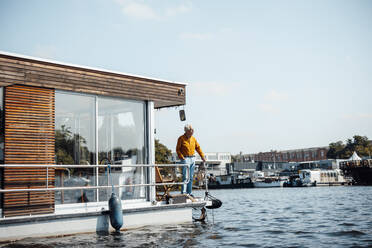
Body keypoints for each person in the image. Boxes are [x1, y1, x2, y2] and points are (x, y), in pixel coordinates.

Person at [176, 124, 206, 196]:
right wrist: (182, 157)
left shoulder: (193, 139)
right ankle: (183, 193)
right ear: (186, 131)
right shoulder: (181, 138)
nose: (192, 131)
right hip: (185, 158)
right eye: (191, 130)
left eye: (192, 130)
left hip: (192, 158)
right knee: (185, 176)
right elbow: (177, 149)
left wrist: (202, 156)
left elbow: (198, 148)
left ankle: (189, 193)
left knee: (191, 177)